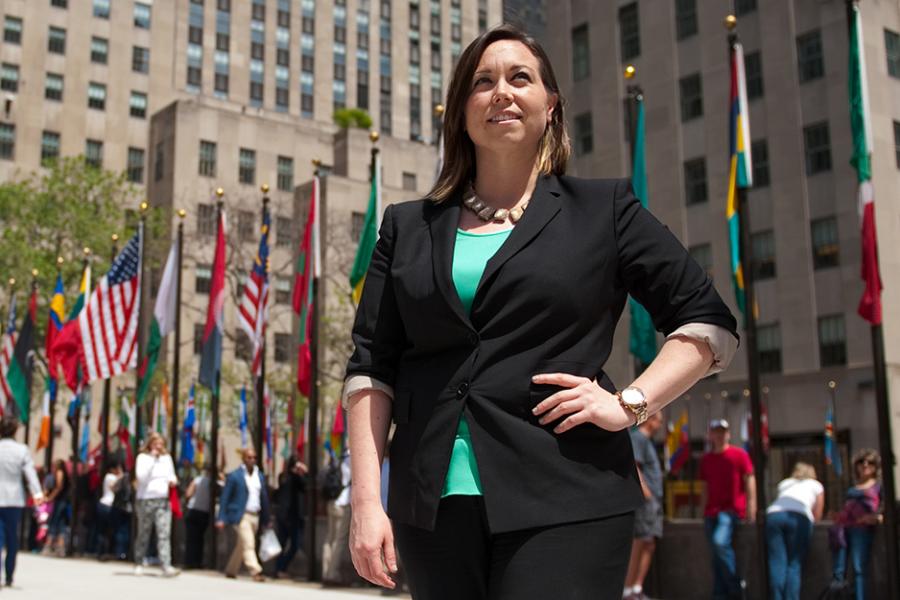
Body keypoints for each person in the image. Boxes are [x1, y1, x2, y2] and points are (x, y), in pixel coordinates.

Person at [343, 23, 739, 599]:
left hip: (569, 491)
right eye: (482, 82)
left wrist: (628, 403)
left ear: (550, 105)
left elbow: (706, 322)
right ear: (460, 110)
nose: (500, 91)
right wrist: (365, 501)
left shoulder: (605, 210)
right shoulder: (407, 226)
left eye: (519, 77)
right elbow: (371, 367)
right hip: (428, 506)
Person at [699, 419, 755, 600]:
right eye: (716, 431)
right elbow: (705, 487)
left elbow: (749, 480)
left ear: (728, 434)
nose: (719, 435)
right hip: (711, 512)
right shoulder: (706, 459)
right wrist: (702, 510)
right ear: (710, 435)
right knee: (715, 556)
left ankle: (735, 587)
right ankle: (720, 593)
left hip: (731, 511)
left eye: (722, 431)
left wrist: (751, 507)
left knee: (719, 543)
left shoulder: (739, 454)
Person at [764, 462, 824, 600]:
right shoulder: (816, 485)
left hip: (773, 516)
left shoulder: (785, 483)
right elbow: (818, 515)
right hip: (799, 517)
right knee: (794, 564)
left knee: (777, 562)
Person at [830, 449, 883, 600]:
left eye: (870, 462)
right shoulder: (851, 488)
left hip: (861, 530)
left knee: (859, 568)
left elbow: (886, 509)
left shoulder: (879, 486)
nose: (865, 465)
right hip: (842, 529)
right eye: (861, 462)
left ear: (875, 466)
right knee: (838, 570)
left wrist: (877, 518)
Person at [624, 412, 665, 600]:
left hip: (652, 501)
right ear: (650, 420)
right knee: (640, 541)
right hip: (646, 501)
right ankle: (628, 590)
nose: (660, 424)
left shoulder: (646, 440)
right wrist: (647, 495)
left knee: (648, 542)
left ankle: (636, 588)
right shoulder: (638, 438)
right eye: (658, 419)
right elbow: (635, 466)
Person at [0, 416, 44, 587]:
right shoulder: (21, 450)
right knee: (12, 539)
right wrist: (37, 493)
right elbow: (30, 473)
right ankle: (9, 575)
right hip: (14, 499)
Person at [216, 447, 270, 582]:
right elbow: (225, 498)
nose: (252, 460)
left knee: (242, 545)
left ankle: (231, 569)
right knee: (249, 543)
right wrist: (221, 517)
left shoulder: (260, 476)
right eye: (249, 457)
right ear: (243, 459)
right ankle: (256, 571)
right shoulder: (235, 476)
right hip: (241, 515)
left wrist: (266, 518)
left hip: (255, 515)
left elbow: (264, 498)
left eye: (254, 458)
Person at [133, 432, 179, 577]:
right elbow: (141, 477)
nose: (159, 447)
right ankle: (139, 561)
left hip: (163, 500)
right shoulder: (143, 458)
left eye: (161, 444)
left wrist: (173, 480)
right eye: (156, 443)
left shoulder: (166, 459)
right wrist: (152, 459)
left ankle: (166, 564)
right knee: (143, 533)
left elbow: (171, 474)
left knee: (164, 533)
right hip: (146, 499)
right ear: (150, 444)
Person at [273, 454, 308, 578]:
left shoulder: (286, 477)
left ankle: (279, 569)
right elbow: (305, 484)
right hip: (290, 517)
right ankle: (280, 569)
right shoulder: (291, 477)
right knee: (290, 545)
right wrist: (304, 472)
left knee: (289, 545)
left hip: (288, 516)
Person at [321, 449, 351, 585]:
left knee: (329, 538)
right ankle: (332, 574)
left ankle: (326, 572)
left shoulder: (340, 458)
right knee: (339, 540)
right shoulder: (354, 458)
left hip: (332, 501)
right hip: (344, 503)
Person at [183, 466, 212, 569]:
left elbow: (188, 493)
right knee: (200, 539)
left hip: (194, 510)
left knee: (191, 539)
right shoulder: (212, 482)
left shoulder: (198, 479)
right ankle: (197, 562)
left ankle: (189, 561)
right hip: (204, 512)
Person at [95, 461, 124, 559]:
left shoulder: (107, 477)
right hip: (108, 505)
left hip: (103, 504)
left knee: (102, 530)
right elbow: (113, 487)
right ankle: (106, 552)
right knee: (109, 530)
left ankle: (101, 551)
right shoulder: (111, 476)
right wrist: (121, 476)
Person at [43, 458, 70, 557]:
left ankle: (48, 545)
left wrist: (51, 497)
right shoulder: (62, 473)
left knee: (54, 522)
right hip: (63, 501)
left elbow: (59, 486)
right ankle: (60, 548)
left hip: (60, 501)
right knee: (62, 524)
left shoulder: (59, 472)